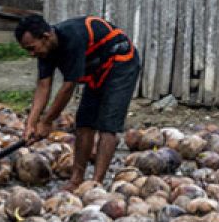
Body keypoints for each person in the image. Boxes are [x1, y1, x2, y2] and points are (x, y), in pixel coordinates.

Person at [15, 13, 141, 192]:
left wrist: (46, 122)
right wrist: (31, 124)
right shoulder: (44, 52)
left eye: (32, 48)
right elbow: (43, 86)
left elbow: (68, 88)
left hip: (121, 63)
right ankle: (76, 179)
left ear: (46, 37)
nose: (32, 53)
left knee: (108, 125)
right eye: (28, 50)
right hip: (96, 69)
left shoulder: (73, 38)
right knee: (84, 122)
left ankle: (95, 183)